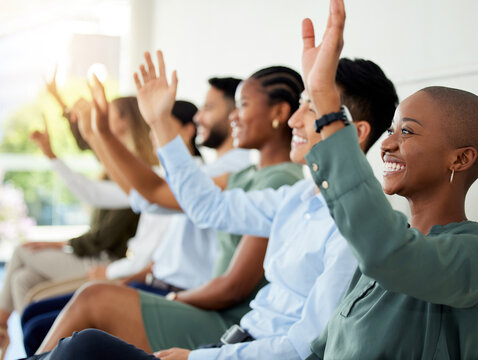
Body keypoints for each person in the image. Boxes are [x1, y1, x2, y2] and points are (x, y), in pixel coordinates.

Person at [29, 49, 398, 360]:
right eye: (300, 105)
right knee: (76, 344)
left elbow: (304, 345)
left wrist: (196, 357)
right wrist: (159, 121)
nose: (295, 120)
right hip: (229, 342)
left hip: (232, 349)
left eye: (310, 107)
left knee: (84, 345)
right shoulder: (296, 197)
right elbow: (206, 207)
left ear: (356, 131)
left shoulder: (358, 227)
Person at [295, 0, 478, 358]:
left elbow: (390, 253)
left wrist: (325, 100)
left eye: (408, 132)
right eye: (390, 130)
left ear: (460, 158)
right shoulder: (384, 246)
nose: (386, 144)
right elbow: (325, 348)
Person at [36, 62, 305, 355]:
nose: (233, 117)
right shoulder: (245, 175)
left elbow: (233, 287)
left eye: (243, 105)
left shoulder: (280, 181)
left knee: (93, 300)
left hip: (228, 322)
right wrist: (131, 126)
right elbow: (154, 193)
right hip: (204, 304)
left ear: (278, 112)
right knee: (84, 307)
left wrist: (173, 298)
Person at [0, 95, 157, 356]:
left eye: (111, 114)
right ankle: (35, 353)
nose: (104, 120)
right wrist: (62, 106)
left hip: (108, 261)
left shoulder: (142, 175)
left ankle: (3, 328)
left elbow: (103, 234)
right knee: (22, 279)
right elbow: (87, 146)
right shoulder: (117, 167)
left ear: (129, 120)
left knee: (22, 254)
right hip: (106, 260)